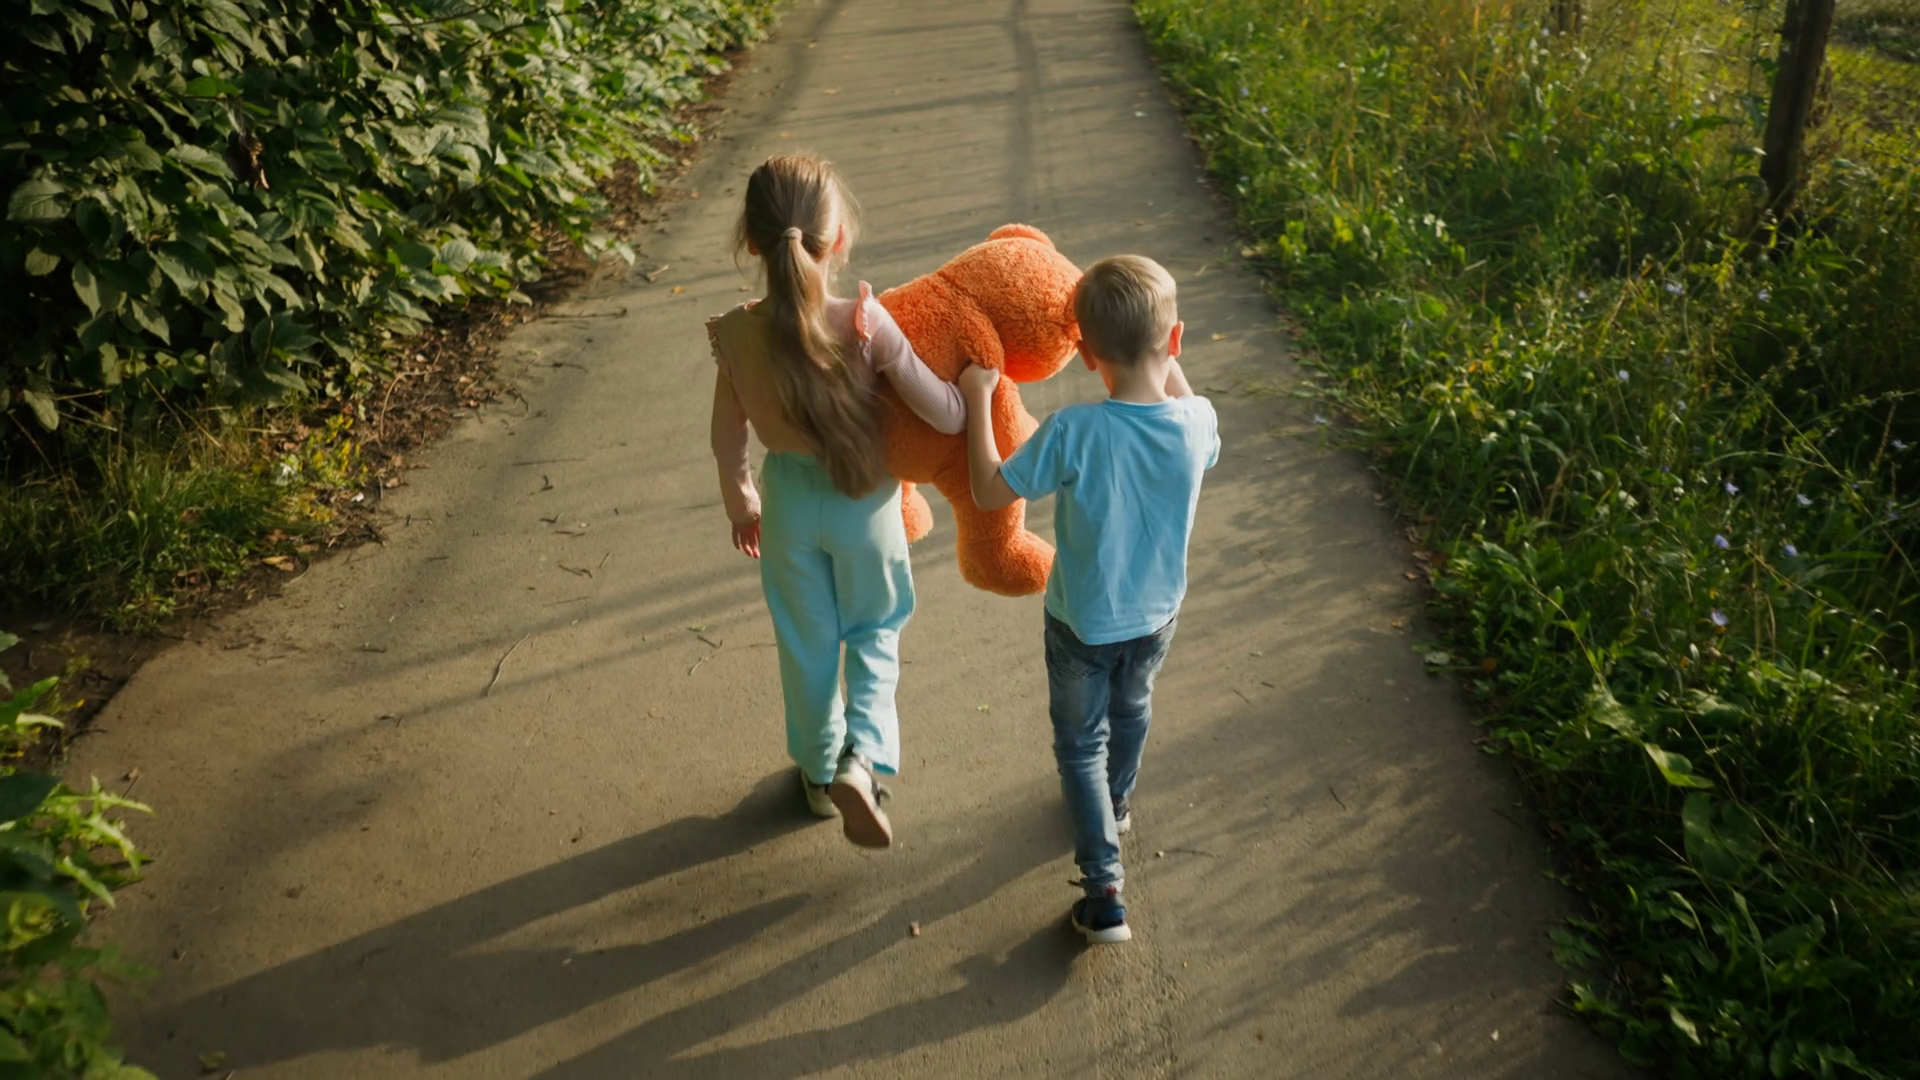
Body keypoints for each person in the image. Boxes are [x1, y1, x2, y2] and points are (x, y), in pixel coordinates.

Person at [706, 155, 965, 848]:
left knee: (806, 644)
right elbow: (944, 414)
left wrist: (743, 506)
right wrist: (977, 388)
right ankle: (863, 756)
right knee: (874, 632)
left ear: (752, 242)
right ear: (838, 239)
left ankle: (820, 777)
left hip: (788, 508)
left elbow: (726, 438)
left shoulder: (734, 333)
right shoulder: (866, 324)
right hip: (865, 504)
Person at [958, 255, 1219, 942]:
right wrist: (1167, 358)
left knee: (1080, 746)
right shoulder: (1197, 422)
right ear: (1176, 340)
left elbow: (988, 490)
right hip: (1156, 616)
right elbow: (1186, 404)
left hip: (1080, 622)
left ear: (1086, 355)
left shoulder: (1073, 431)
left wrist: (981, 399)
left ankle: (1104, 888)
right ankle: (1118, 802)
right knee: (1133, 707)